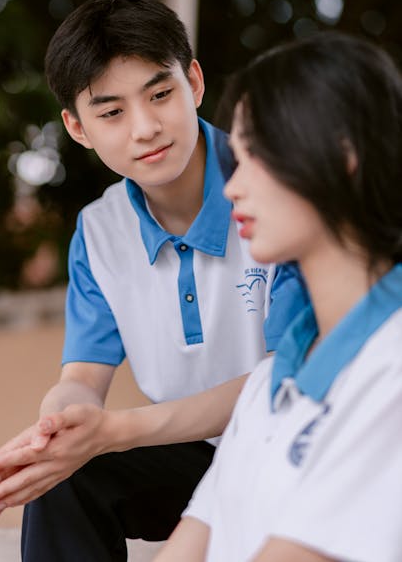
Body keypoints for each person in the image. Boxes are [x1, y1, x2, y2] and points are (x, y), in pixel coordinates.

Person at [0, 0, 305, 560]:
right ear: (77, 126)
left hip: (297, 451)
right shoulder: (99, 231)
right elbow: (82, 378)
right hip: (196, 457)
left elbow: (283, 385)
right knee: (65, 476)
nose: (145, 128)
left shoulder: (281, 186)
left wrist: (116, 430)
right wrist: (58, 431)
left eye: (160, 94)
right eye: (112, 111)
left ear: (193, 82)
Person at [154, 31, 402, 562]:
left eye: (257, 157)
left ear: (342, 154)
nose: (231, 188)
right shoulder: (270, 379)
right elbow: (189, 546)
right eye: (234, 160)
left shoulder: (391, 365)